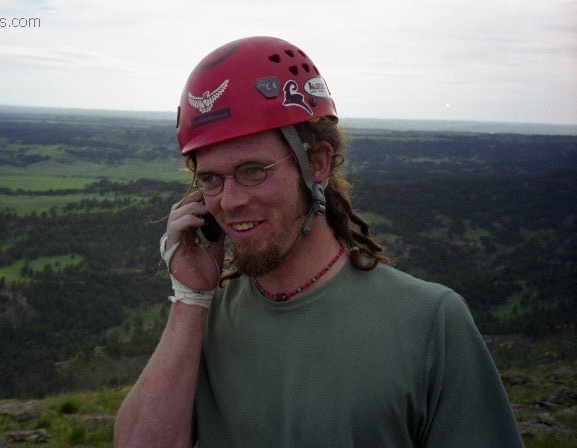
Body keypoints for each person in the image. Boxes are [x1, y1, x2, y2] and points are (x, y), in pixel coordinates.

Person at [114, 36, 523, 447]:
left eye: (254, 171)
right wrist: (190, 298)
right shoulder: (207, 320)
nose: (230, 201)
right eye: (211, 179)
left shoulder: (429, 322)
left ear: (318, 164)